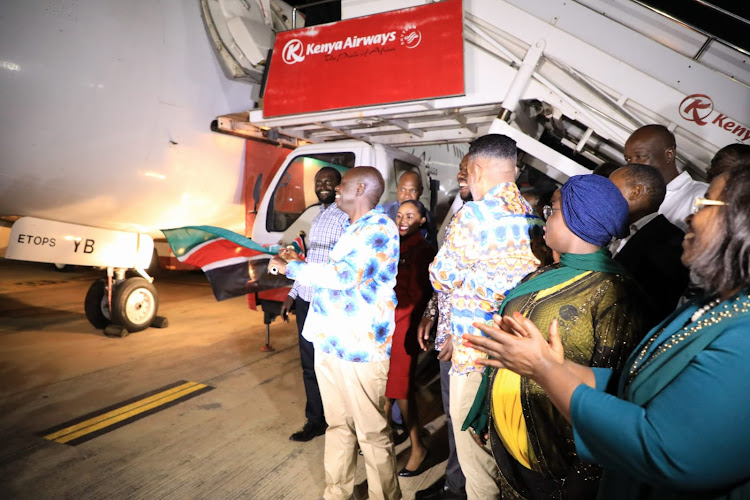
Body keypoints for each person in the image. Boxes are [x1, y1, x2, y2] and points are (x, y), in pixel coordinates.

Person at [464, 167, 750, 499]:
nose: (688, 215)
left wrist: (544, 369)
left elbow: (663, 449)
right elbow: (634, 382)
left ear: (741, 223)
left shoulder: (742, 332)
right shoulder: (713, 304)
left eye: (704, 204)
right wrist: (556, 366)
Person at [463, 174, 648, 500]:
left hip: (556, 462)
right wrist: (484, 410)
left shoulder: (614, 293)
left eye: (555, 210)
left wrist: (585, 477)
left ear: (580, 219)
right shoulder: (543, 273)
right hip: (510, 444)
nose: (546, 216)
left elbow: (609, 396)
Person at [269, 167, 402, 500]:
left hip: (360, 349)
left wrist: (292, 268)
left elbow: (345, 276)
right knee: (338, 426)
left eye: (341, 185)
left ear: (359, 188)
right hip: (330, 343)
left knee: (371, 434)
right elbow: (329, 271)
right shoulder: (349, 227)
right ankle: (336, 493)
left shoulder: (380, 228)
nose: (336, 190)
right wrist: (298, 259)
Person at [429, 134, 544, 500]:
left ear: (476, 170)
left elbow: (441, 275)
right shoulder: (532, 215)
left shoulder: (474, 215)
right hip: (514, 355)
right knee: (504, 451)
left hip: (474, 356)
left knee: (476, 463)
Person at [415, 154, 472, 500]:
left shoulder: (495, 223)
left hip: (466, 342)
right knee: (453, 417)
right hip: (446, 334)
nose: (462, 176)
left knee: (467, 420)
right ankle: (456, 482)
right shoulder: (461, 214)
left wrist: (458, 333)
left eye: (469, 170)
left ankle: (461, 489)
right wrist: (432, 310)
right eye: (461, 170)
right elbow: (447, 279)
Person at [282, 167, 349, 442]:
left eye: (328, 182)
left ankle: (341, 422)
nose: (322, 186)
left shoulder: (345, 216)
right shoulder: (319, 216)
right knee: (309, 365)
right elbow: (311, 262)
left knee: (332, 366)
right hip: (307, 300)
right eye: (318, 182)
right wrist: (293, 294)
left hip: (329, 303)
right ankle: (316, 420)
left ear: (338, 186)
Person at [384, 200, 437, 478]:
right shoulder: (392, 245)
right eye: (400, 215)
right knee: (387, 389)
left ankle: (417, 447)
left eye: (411, 215)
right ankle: (389, 437)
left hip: (406, 327)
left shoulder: (425, 250)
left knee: (401, 390)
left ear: (423, 221)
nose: (403, 220)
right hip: (385, 325)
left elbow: (423, 296)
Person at [609, 164, 689, 325]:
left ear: (636, 192)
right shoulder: (614, 231)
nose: (604, 197)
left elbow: (651, 306)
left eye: (610, 190)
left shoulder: (671, 242)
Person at [624, 124, 707, 231]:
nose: (632, 166)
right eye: (628, 160)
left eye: (641, 157)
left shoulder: (701, 195)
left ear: (669, 154)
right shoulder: (631, 194)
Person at [384, 171, 437, 248]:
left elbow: (433, 246)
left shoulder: (427, 216)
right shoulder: (385, 212)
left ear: (421, 191)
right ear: (397, 188)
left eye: (413, 191)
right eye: (402, 190)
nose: (407, 195)